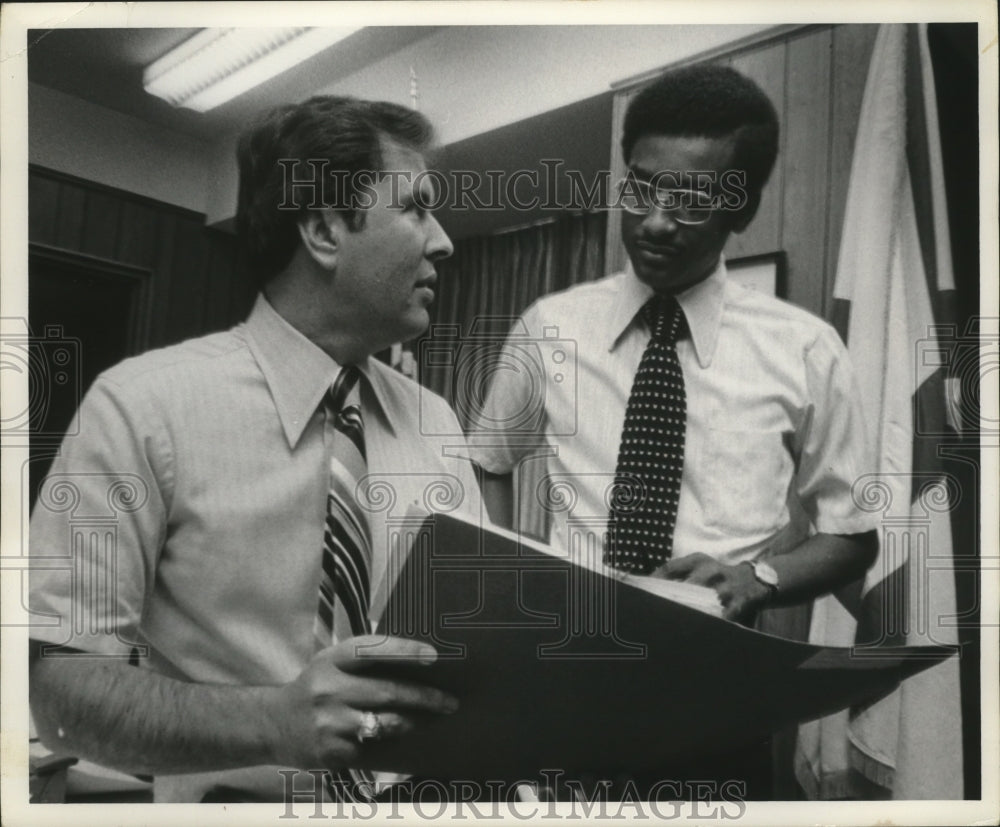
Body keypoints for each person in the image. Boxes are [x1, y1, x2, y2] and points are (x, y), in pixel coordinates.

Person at [28, 95, 481, 803]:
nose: (444, 240)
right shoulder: (141, 408)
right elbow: (59, 692)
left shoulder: (439, 423)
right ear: (327, 229)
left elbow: (472, 647)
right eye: (417, 208)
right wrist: (275, 721)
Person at [467, 65, 880, 798]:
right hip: (564, 690)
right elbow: (489, 459)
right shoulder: (550, 328)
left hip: (714, 714)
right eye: (640, 187)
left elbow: (854, 534)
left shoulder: (807, 351)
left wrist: (760, 576)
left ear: (741, 207)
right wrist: (509, 580)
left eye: (689, 200)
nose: (655, 220)